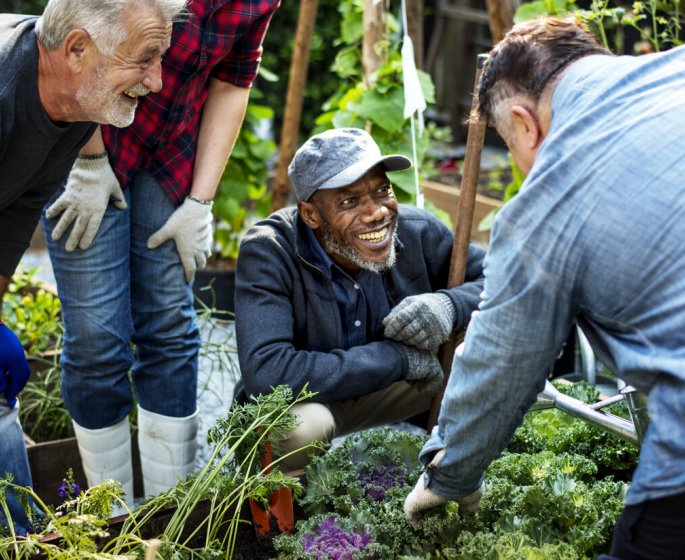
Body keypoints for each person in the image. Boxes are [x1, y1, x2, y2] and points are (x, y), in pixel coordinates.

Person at [403, 16, 685, 560]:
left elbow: (501, 359)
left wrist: (449, 475)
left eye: (512, 148)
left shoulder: (547, 202)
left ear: (521, 122)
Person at [41, 0, 281, 510]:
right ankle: (110, 514)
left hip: (170, 156)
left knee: (169, 328)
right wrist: (86, 163)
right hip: (90, 136)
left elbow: (233, 84)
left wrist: (201, 201)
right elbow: (76, 47)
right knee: (96, 340)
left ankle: (165, 512)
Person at [0, 0, 183, 532]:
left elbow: (12, 216)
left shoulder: (71, 110)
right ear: (77, 48)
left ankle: (20, 540)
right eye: (145, 59)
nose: (157, 80)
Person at [233, 127, 486, 470]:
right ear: (311, 215)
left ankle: (456, 476)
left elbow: (502, 279)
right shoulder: (269, 252)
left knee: (491, 346)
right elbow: (267, 372)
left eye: (382, 190)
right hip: (308, 401)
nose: (376, 213)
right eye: (349, 201)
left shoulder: (418, 230)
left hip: (395, 389)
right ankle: (292, 516)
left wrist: (449, 305)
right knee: (298, 430)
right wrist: (396, 359)